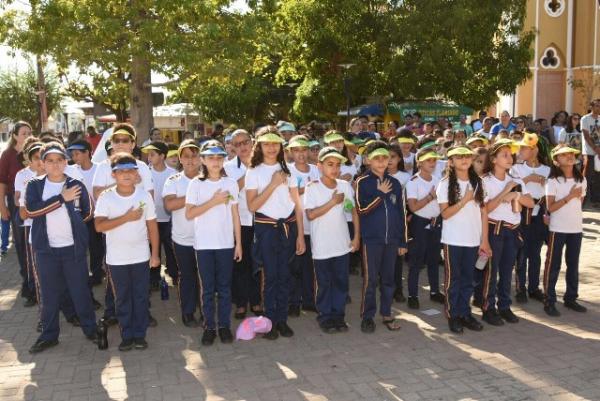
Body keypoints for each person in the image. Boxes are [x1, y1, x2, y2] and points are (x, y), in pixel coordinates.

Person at [25, 142, 98, 353]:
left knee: (80, 291)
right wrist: (61, 199)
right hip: (46, 251)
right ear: (43, 164)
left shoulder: (76, 184)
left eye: (59, 160)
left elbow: (88, 212)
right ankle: (49, 335)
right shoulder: (35, 185)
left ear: (66, 162)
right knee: (49, 295)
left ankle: (90, 329)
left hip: (72, 249)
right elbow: (32, 210)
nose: (55, 165)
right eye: (50, 161)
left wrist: (73, 219)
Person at [94, 153, 160, 351]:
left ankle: (139, 335)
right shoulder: (106, 197)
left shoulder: (143, 196)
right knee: (121, 298)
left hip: (141, 256)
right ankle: (127, 335)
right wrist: (127, 217)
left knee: (140, 296)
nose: (126, 174)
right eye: (121, 171)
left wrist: (155, 254)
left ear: (137, 174)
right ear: (113, 175)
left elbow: (152, 227)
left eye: (130, 170)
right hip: (116, 259)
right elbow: (99, 226)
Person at [245, 126, 305, 340]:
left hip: (288, 228)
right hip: (266, 229)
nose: (271, 148)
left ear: (281, 146)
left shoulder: (289, 170)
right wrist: (272, 185)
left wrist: (300, 235)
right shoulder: (253, 171)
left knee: (285, 276)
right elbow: (252, 206)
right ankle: (269, 321)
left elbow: (297, 204)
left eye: (275, 143)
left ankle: (282, 320)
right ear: (259, 146)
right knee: (270, 277)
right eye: (266, 143)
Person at [185, 143, 242, 345]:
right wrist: (214, 201)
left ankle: (224, 326)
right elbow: (189, 213)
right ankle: (209, 326)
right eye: (210, 158)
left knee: (225, 288)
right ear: (203, 160)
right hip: (204, 246)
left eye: (219, 158)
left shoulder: (231, 183)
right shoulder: (195, 184)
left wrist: (238, 243)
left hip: (226, 244)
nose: (215, 161)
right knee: (208, 289)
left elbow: (235, 215)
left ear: (224, 159)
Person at [478, 139, 534, 326]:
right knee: (491, 272)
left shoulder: (516, 180)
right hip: (494, 229)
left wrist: (516, 195)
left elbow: (531, 203)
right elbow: (486, 208)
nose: (509, 158)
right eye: (504, 155)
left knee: (506, 271)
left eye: (510, 154)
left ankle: (504, 306)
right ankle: (488, 308)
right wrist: (505, 192)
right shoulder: (485, 180)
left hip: (512, 230)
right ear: (493, 159)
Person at [305, 147, 360, 333]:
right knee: (324, 283)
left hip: (342, 245)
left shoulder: (344, 186)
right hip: (322, 246)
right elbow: (311, 214)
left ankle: (338, 316)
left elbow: (352, 211)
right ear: (319, 166)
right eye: (330, 164)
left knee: (340, 282)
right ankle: (325, 316)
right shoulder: (312, 187)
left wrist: (356, 237)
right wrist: (332, 202)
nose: (335, 169)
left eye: (338, 165)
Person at [355, 141, 407, 333]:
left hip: (392, 240)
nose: (381, 161)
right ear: (368, 160)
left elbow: (401, 213)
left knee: (389, 279)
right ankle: (367, 316)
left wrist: (402, 241)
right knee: (370, 280)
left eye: (385, 158)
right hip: (372, 240)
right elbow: (362, 210)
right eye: (376, 158)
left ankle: (386, 313)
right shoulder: (363, 182)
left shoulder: (395, 183)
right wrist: (380, 194)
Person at [436, 145, 489, 334]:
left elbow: (484, 212)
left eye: (467, 156)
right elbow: (446, 214)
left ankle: (465, 313)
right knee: (453, 280)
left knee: (469, 280)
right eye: (458, 157)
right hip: (453, 241)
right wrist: (464, 199)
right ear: (451, 162)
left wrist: (485, 240)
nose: (464, 160)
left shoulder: (479, 183)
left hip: (473, 240)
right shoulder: (445, 184)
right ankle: (453, 315)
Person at [543, 145, 587, 316]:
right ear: (556, 160)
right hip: (557, 229)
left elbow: (580, 202)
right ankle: (549, 300)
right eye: (563, 155)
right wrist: (569, 197)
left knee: (573, 264)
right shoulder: (553, 181)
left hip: (576, 229)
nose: (569, 156)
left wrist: (572, 198)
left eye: (571, 154)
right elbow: (550, 207)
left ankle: (570, 298)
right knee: (553, 265)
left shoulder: (581, 179)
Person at [224, 130, 263, 319]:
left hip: (263, 219)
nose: (242, 147)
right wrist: (248, 172)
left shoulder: (264, 162)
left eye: (245, 142)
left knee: (259, 263)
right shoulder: (228, 167)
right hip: (241, 222)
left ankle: (256, 300)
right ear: (232, 147)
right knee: (241, 264)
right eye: (237, 144)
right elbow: (228, 193)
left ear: (252, 142)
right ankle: (241, 302)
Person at [163, 140, 202, 327]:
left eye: (194, 155)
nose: (191, 160)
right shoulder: (173, 180)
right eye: (186, 156)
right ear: (180, 158)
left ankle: (205, 309)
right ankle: (187, 312)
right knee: (186, 276)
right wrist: (194, 196)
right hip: (182, 239)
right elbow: (169, 205)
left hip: (206, 239)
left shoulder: (210, 178)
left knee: (204, 277)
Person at [511, 133, 551, 303]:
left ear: (534, 149)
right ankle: (520, 288)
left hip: (539, 217)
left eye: (525, 147)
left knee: (535, 253)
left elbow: (550, 193)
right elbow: (514, 188)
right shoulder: (517, 168)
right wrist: (529, 179)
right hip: (521, 215)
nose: (521, 150)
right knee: (521, 253)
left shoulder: (548, 170)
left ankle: (534, 287)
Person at [405, 149, 445, 309]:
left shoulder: (438, 180)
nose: (432, 163)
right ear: (419, 162)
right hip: (419, 224)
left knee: (434, 259)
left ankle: (435, 292)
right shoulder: (413, 182)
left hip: (436, 223)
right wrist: (430, 197)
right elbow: (413, 207)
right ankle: (412, 295)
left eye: (434, 160)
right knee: (416, 261)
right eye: (428, 160)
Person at [287, 136, 320, 315]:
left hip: (313, 225)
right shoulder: (288, 171)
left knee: (309, 266)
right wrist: (304, 188)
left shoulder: (316, 170)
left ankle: (309, 299)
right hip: (294, 224)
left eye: (303, 150)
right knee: (294, 266)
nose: (301, 154)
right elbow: (286, 194)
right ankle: (293, 301)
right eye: (296, 150)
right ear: (291, 152)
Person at [67, 140, 105, 286]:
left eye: (77, 153)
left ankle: (98, 272)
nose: (74, 157)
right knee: (87, 246)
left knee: (98, 247)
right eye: (72, 154)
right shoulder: (71, 170)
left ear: (87, 152)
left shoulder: (99, 169)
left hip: (100, 215)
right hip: (82, 216)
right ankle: (91, 274)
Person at [0, 122, 31, 296]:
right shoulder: (8, 155)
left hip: (36, 202)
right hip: (15, 202)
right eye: (23, 133)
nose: (27, 135)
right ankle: (27, 282)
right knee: (20, 242)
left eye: (29, 132)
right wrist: (2, 206)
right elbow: (2, 182)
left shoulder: (35, 151)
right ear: (15, 136)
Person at [142, 141, 178, 287]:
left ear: (162, 156)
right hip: (152, 220)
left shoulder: (173, 174)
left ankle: (176, 276)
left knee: (171, 250)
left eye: (152, 154)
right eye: (148, 155)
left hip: (169, 219)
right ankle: (153, 279)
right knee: (151, 249)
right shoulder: (145, 173)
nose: (149, 157)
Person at [14, 139, 45, 307]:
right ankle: (33, 292)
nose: (40, 161)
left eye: (43, 157)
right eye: (36, 157)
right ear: (29, 159)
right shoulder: (24, 176)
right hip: (30, 226)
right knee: (31, 262)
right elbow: (20, 201)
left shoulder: (54, 176)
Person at [580, 99, 600, 207]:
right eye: (596, 106)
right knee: (587, 176)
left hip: (599, 153)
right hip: (589, 152)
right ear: (591, 107)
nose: (599, 108)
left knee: (598, 177)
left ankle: (596, 199)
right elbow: (586, 135)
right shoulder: (585, 119)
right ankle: (584, 199)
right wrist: (595, 148)